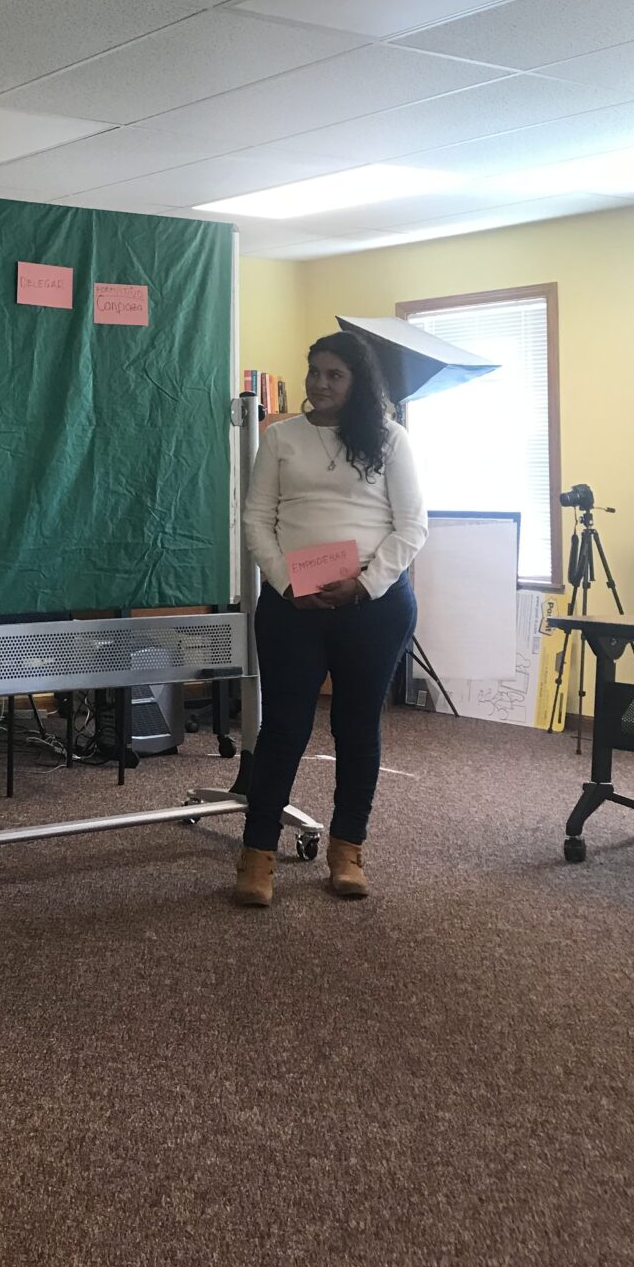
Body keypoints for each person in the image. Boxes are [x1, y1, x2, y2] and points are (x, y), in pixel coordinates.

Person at [235, 330, 427, 907]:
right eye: (314, 371)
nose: (320, 383)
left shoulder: (391, 440)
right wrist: (286, 581)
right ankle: (257, 854)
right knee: (284, 730)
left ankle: (348, 849)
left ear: (357, 382)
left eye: (334, 374)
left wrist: (364, 584)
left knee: (356, 727)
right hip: (293, 605)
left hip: (373, 605)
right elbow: (255, 519)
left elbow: (412, 526)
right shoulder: (279, 439)